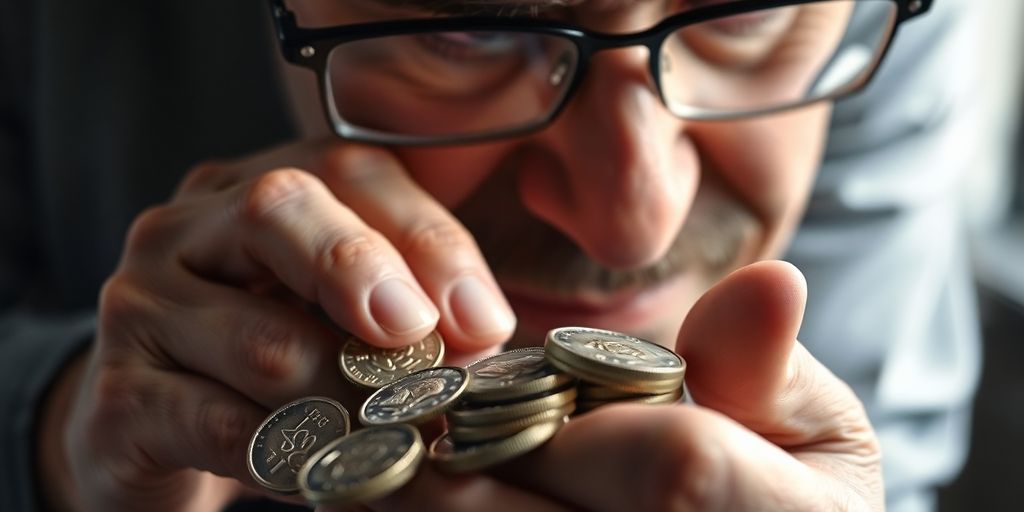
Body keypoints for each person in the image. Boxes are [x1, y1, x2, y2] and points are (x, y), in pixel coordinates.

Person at [0, 0, 972, 510]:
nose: (629, 224)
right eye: (468, 27)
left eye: (746, 12)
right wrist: (58, 452)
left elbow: (879, 436)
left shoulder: (880, 32)